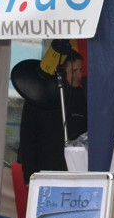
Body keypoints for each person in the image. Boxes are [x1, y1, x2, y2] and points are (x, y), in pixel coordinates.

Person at [17, 51, 87, 182]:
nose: (79, 75)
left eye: (80, 70)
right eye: (74, 70)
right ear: (59, 72)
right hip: (45, 172)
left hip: (76, 172)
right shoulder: (37, 98)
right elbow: (27, 140)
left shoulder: (82, 97)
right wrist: (29, 176)